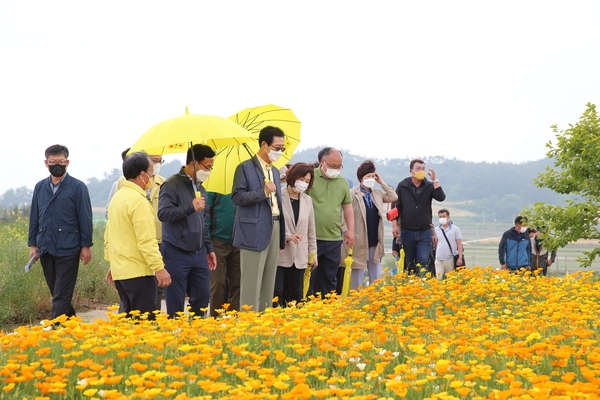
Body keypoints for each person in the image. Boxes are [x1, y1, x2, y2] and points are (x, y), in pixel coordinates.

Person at [28, 144, 93, 319]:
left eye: (61, 162)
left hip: (69, 247)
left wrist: (86, 246)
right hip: (46, 246)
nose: (57, 165)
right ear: (46, 163)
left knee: (62, 291)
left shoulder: (78, 187)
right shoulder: (40, 187)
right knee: (56, 288)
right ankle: (70, 320)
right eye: (52, 162)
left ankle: (56, 327)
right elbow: (35, 216)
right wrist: (33, 244)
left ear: (67, 162)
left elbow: (85, 218)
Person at [104, 152, 171, 319]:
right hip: (139, 272)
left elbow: (110, 236)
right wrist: (159, 268)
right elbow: (147, 241)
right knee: (144, 325)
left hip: (122, 272)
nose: (152, 176)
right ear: (142, 175)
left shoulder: (118, 198)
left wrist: (113, 264)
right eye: (150, 172)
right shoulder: (138, 201)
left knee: (129, 325)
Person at [158, 144, 217, 318]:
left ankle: (196, 331)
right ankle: (176, 334)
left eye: (211, 168)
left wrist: (209, 248)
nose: (208, 171)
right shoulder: (171, 185)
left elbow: (203, 222)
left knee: (203, 295)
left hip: (199, 252)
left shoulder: (201, 188)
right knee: (176, 298)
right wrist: (190, 207)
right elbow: (163, 213)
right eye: (207, 167)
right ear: (194, 163)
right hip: (176, 250)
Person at [232, 126, 286, 312]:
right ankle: (248, 322)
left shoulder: (275, 171)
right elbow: (237, 197)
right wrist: (262, 192)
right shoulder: (245, 168)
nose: (279, 152)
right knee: (252, 281)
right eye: (277, 147)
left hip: (275, 225)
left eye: (282, 148)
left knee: (269, 281)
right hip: (253, 230)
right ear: (264, 144)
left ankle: (263, 322)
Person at [307, 147, 355, 297]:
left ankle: (326, 310)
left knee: (329, 279)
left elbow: (347, 207)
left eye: (339, 166)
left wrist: (350, 230)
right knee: (309, 276)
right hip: (312, 238)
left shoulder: (342, 182)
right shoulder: (309, 177)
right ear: (323, 162)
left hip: (334, 238)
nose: (336, 169)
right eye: (332, 166)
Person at [345, 160, 397, 290]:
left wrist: (382, 182)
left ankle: (375, 299)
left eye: (373, 176)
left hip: (374, 239)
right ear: (361, 177)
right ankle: (356, 300)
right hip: (359, 240)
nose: (371, 179)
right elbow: (345, 215)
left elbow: (394, 197)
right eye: (368, 176)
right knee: (358, 273)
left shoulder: (377, 193)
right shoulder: (352, 193)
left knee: (375, 274)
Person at [391, 159, 445, 275]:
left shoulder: (429, 186)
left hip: (424, 231)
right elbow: (395, 207)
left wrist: (435, 179)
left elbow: (441, 197)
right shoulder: (403, 186)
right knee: (409, 262)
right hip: (407, 230)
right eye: (418, 168)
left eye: (423, 168)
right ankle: (411, 287)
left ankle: (423, 284)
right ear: (411, 171)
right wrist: (395, 225)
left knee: (423, 260)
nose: (421, 171)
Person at [274, 162, 318, 306]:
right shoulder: (278, 195)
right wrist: (287, 236)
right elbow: (274, 223)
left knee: (297, 294)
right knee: (277, 291)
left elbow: (311, 229)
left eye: (307, 181)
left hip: (300, 254)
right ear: (293, 177)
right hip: (281, 253)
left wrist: (313, 253)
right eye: (301, 179)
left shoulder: (307, 200)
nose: (304, 184)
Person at [205, 191, 241, 317]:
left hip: (239, 240)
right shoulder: (214, 188)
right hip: (217, 241)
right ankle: (215, 318)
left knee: (238, 282)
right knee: (218, 282)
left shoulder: (242, 187)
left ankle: (233, 317)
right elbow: (206, 214)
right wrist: (208, 241)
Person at [434, 208, 463, 280]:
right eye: (440, 217)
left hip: (449, 259)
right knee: (438, 279)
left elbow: (459, 244)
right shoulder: (437, 229)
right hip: (438, 259)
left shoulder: (455, 229)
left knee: (450, 279)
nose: (442, 218)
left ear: (448, 217)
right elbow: (436, 243)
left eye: (443, 216)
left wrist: (460, 257)